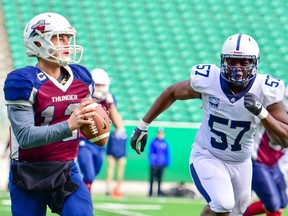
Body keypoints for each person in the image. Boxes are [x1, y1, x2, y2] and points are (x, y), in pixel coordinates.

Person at [130, 33, 288, 215]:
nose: (237, 68)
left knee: (237, 211)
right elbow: (172, 92)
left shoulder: (265, 89)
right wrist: (143, 124)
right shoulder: (208, 80)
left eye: (244, 62)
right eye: (232, 61)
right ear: (223, 61)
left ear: (254, 63)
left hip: (242, 161)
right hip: (209, 155)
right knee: (223, 203)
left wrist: (262, 113)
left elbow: (285, 139)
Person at [3, 12, 97, 216]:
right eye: (59, 37)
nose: (66, 43)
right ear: (38, 43)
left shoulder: (82, 78)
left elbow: (91, 122)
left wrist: (97, 126)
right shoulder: (23, 81)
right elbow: (26, 137)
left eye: (68, 38)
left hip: (65, 170)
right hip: (28, 172)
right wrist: (69, 125)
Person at [77, 68, 127, 196]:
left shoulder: (109, 100)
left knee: (95, 172)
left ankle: (81, 193)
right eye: (97, 85)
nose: (99, 88)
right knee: (89, 173)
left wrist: (110, 104)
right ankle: (84, 198)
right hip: (83, 141)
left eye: (102, 85)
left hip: (99, 144)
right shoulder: (82, 96)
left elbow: (119, 125)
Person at [244, 86, 288, 216]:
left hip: (273, 164)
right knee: (273, 204)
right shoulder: (274, 112)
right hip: (258, 162)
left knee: (282, 202)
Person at [148, 127, 171, 197]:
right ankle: (150, 193)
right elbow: (151, 152)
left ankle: (159, 193)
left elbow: (167, 153)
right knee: (152, 179)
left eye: (161, 133)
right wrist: (152, 162)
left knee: (160, 179)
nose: (160, 134)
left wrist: (167, 162)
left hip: (162, 163)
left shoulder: (165, 143)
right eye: (159, 133)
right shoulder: (153, 142)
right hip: (154, 164)